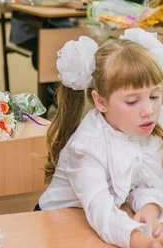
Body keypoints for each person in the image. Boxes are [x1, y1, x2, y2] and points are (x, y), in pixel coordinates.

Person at [39, 28, 163, 248]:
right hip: (60, 225)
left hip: (106, 221)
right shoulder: (86, 146)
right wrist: (141, 240)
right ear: (101, 102)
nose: (149, 111)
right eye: (132, 101)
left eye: (154, 96)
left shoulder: (145, 128)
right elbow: (100, 210)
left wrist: (150, 207)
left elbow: (144, 182)